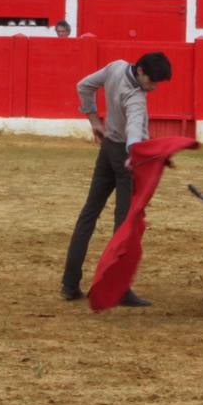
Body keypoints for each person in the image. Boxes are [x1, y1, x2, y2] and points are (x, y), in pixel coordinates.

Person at [62, 52, 174, 307]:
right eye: (152, 81)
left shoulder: (116, 67)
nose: (154, 87)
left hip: (107, 148)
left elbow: (84, 86)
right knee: (125, 225)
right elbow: (135, 131)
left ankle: (69, 284)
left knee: (89, 214)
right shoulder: (135, 98)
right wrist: (135, 154)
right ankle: (118, 288)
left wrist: (94, 121)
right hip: (125, 157)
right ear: (141, 71)